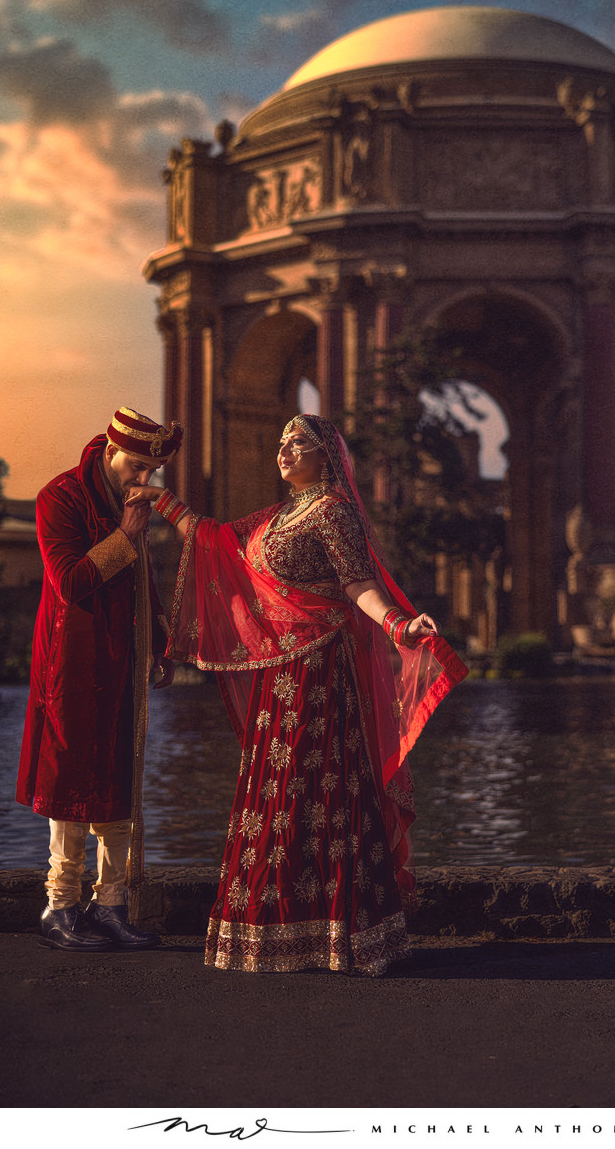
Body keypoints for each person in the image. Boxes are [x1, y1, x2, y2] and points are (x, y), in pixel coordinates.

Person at [128, 414, 467, 975]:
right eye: (282, 442)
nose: (285, 451)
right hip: (277, 673)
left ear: (327, 457)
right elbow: (214, 539)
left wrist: (399, 626)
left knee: (315, 789)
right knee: (272, 790)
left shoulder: (334, 509)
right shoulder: (280, 513)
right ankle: (272, 929)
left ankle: (341, 933)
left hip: (322, 673)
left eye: (300, 444)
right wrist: (158, 500)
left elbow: (358, 583)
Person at [16, 408, 183, 951]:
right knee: (69, 774)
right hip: (72, 658)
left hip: (124, 658)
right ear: (111, 451)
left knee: (121, 774)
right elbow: (68, 582)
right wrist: (125, 534)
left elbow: (143, 578)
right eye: (135, 466)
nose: (143, 480)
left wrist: (160, 645)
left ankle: (110, 904)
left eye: (149, 471)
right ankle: (59, 904)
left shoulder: (126, 499)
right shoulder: (59, 498)